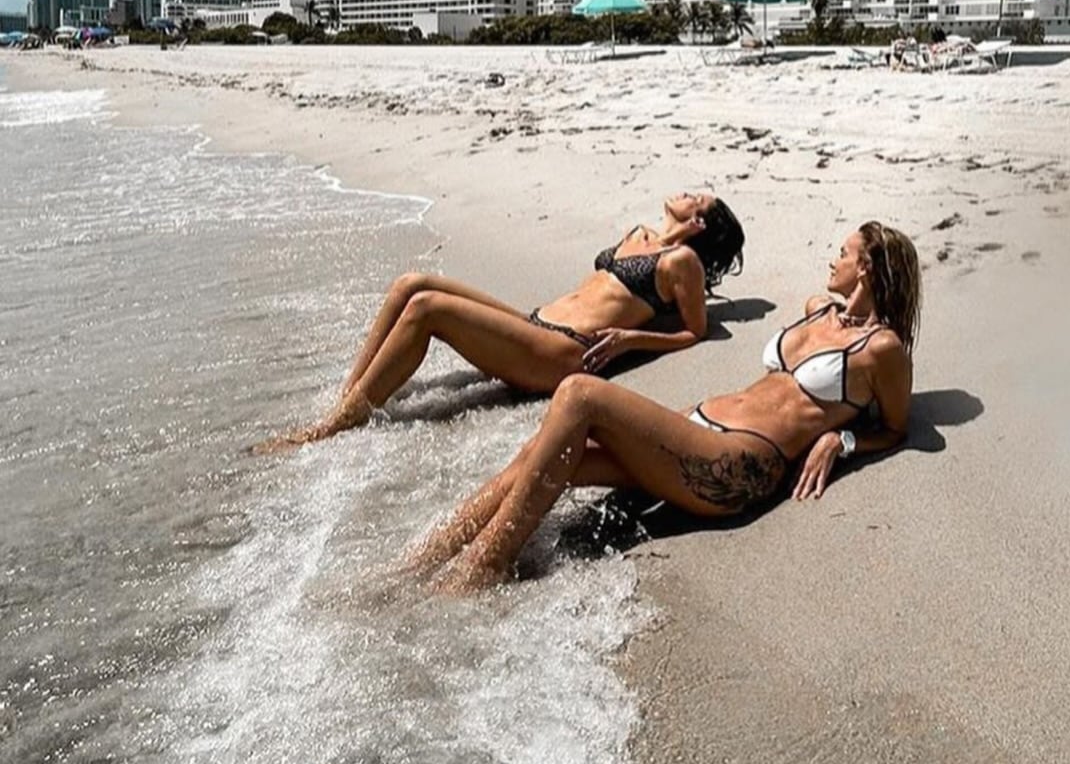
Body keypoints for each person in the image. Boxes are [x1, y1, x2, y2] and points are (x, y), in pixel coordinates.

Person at [410, 221, 920, 590]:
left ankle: (479, 574)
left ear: (868, 268)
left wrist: (842, 439)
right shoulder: (817, 310)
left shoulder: (882, 350)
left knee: (580, 394)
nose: (833, 260)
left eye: (843, 252)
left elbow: (896, 428)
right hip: (694, 431)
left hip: (738, 463)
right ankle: (421, 563)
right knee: (540, 453)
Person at [255, 192, 745, 451]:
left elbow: (693, 332)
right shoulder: (638, 233)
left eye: (695, 196)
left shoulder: (684, 263)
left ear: (699, 223)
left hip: (563, 352)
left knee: (428, 310)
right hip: (535, 324)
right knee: (411, 284)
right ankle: (351, 398)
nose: (684, 192)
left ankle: (334, 427)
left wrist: (628, 339)